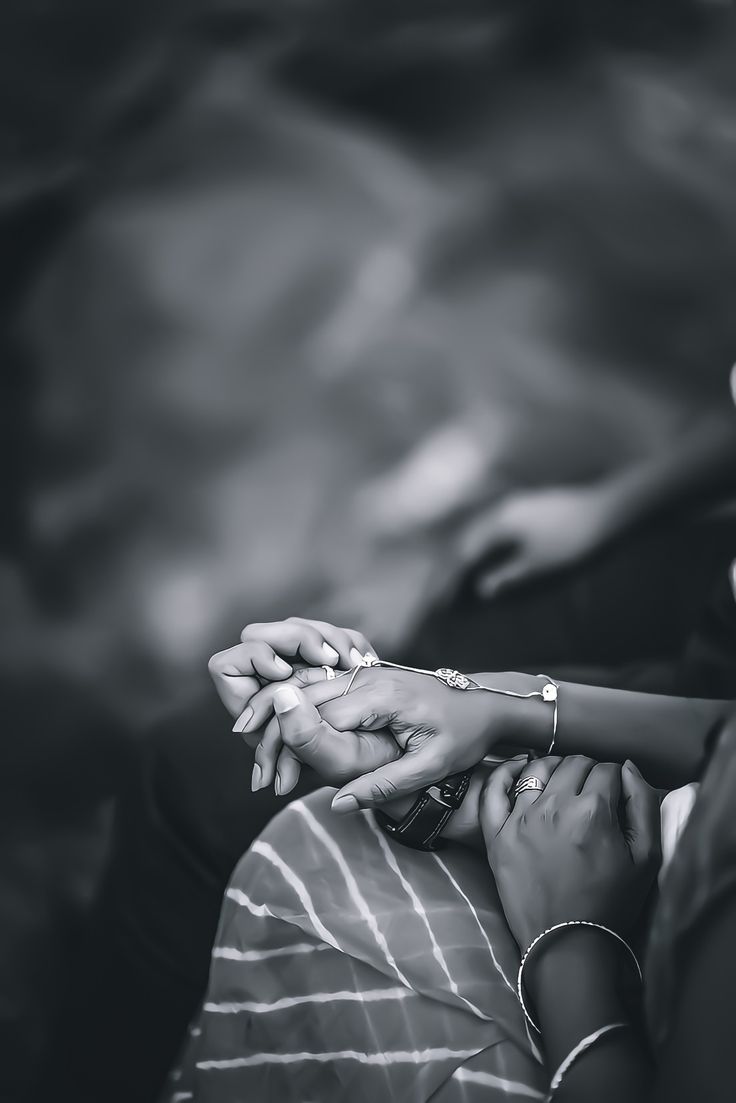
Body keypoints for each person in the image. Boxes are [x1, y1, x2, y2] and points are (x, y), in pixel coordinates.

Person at [161, 614, 736, 1101]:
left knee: (277, 837)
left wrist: (568, 940)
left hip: (600, 977)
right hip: (637, 840)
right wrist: (497, 704)